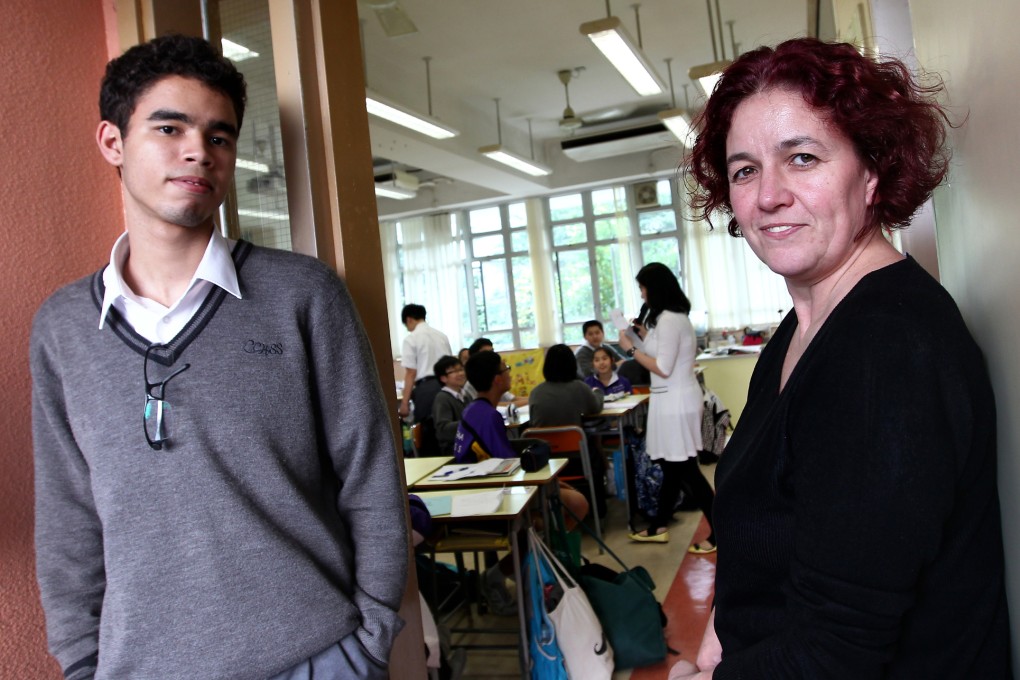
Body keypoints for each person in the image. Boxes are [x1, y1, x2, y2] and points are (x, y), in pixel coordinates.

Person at [30, 35, 407, 680]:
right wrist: (80, 662)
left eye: (220, 136)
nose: (198, 152)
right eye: (169, 127)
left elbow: (370, 475)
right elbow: (68, 514)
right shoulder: (64, 328)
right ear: (113, 143)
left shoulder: (302, 294)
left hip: (315, 658)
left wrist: (369, 638)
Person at [672, 38, 1011, 679]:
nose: (768, 195)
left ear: (873, 172)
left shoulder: (887, 351)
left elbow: (838, 651)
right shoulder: (804, 326)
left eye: (801, 158)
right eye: (744, 170)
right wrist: (721, 621)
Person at [453, 350, 590, 614]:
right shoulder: (486, 415)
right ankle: (511, 573)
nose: (509, 373)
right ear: (496, 380)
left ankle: (536, 568)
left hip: (492, 490)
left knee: (570, 503)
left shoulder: (477, 409)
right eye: (505, 369)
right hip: (489, 499)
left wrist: (554, 483)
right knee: (573, 506)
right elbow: (510, 469)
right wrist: (553, 485)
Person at [617, 264, 716, 550]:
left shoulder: (671, 319)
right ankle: (659, 524)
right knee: (673, 467)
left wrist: (630, 349)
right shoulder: (666, 320)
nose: (642, 295)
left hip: (676, 401)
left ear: (655, 288)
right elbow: (658, 351)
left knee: (684, 468)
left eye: (643, 288)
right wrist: (641, 337)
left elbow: (662, 366)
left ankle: (719, 530)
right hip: (669, 400)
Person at [528, 344, 608, 516]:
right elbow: (595, 407)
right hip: (576, 460)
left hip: (545, 461)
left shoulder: (535, 393)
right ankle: (599, 511)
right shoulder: (579, 387)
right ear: (572, 365)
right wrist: (598, 391)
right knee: (597, 449)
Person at [398, 303, 452, 424]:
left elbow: (411, 373)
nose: (408, 329)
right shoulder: (442, 336)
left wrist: (404, 403)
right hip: (447, 385)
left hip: (426, 390)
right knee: (447, 425)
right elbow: (450, 363)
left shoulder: (411, 339)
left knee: (427, 430)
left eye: (406, 325)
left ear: (409, 319)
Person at [431, 355, 472, 456]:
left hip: (468, 443)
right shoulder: (442, 398)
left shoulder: (465, 394)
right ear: (443, 378)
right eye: (454, 371)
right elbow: (443, 430)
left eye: (461, 369)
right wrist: (470, 423)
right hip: (454, 449)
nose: (461, 373)